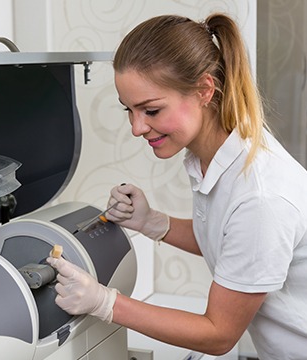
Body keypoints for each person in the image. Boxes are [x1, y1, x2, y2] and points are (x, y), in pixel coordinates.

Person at [47, 12, 307, 359]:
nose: (137, 128)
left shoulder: (260, 197)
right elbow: (227, 240)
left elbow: (219, 334)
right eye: (129, 110)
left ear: (204, 90)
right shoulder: (215, 154)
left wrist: (105, 302)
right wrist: (151, 222)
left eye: (151, 110)